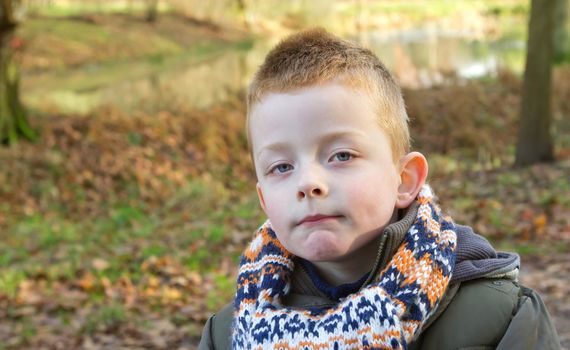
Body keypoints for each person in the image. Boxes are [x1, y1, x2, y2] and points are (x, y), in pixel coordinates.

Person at [199, 28, 560, 349]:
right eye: (281, 167)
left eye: (341, 155)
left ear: (404, 180)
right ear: (263, 199)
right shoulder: (227, 334)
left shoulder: (501, 318)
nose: (308, 183)